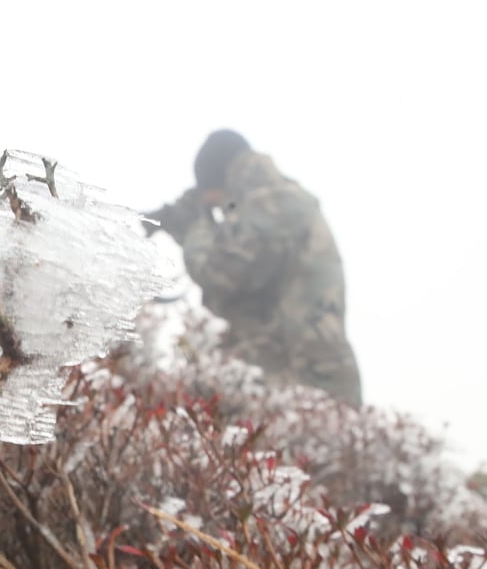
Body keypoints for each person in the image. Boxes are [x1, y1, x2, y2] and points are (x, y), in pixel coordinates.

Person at [147, 130, 362, 405]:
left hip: (301, 383)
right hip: (302, 380)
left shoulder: (272, 202)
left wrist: (193, 225)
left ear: (220, 180)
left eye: (213, 200)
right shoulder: (271, 197)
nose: (217, 209)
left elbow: (218, 272)